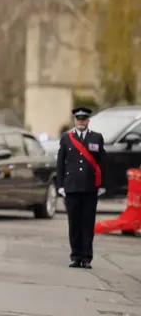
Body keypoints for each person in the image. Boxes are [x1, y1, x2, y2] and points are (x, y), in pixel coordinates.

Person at [57, 107, 107, 269]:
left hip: (90, 187)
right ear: (74, 121)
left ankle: (86, 258)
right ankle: (75, 256)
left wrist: (102, 184)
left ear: (88, 121)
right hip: (71, 187)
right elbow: (60, 163)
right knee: (74, 224)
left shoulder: (96, 137)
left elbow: (102, 163)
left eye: (84, 119)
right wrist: (60, 186)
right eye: (78, 119)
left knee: (87, 223)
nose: (81, 122)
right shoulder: (66, 138)